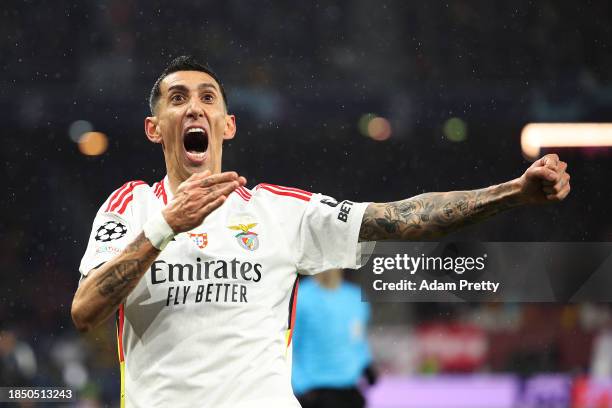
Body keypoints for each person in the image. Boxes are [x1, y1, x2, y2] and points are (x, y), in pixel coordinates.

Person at [70, 55, 571, 407]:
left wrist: (514, 192)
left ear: (228, 124)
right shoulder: (131, 207)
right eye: (177, 98)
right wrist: (164, 227)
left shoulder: (279, 213)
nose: (195, 107)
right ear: (154, 128)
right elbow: (85, 310)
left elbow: (403, 218)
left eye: (208, 97)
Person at [292, 269, 376, 408]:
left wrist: (366, 364)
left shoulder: (355, 297)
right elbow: (290, 346)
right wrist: (301, 386)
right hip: (316, 389)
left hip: (350, 389)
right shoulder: (301, 297)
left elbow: (358, 339)